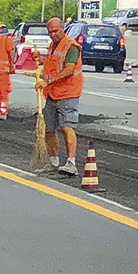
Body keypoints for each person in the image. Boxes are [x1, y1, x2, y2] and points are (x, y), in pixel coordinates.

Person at [36, 16, 83, 174]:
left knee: (66, 126)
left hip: (68, 93)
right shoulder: (53, 45)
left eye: (55, 31)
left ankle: (71, 162)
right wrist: (41, 60)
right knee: (49, 128)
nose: (52, 34)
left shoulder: (71, 46)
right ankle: (53, 161)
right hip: (52, 93)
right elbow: (54, 64)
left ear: (63, 29)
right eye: (50, 32)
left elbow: (69, 69)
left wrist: (47, 82)